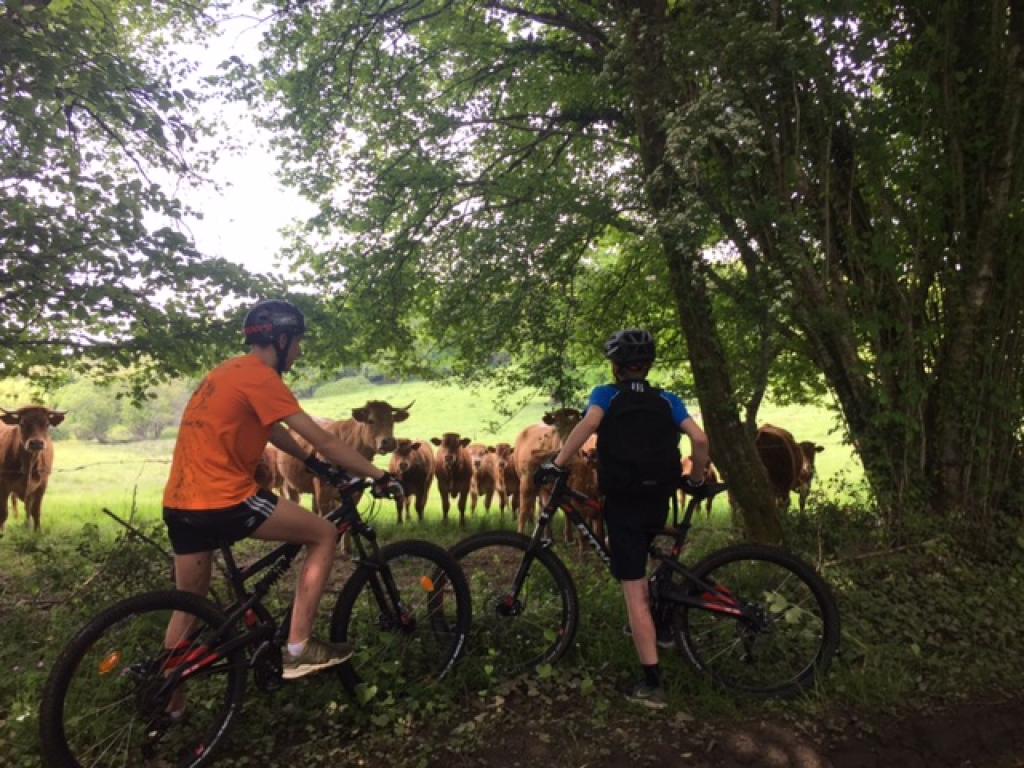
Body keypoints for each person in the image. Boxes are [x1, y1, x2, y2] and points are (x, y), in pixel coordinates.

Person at [161, 299, 400, 699]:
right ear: (281, 338)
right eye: (298, 342)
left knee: (189, 606)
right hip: (224, 499)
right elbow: (324, 437)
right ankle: (299, 648)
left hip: (181, 503)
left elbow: (270, 430)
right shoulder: (262, 378)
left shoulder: (226, 374)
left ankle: (168, 699)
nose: (300, 351)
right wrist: (378, 473)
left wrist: (309, 461)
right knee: (324, 533)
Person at [538, 329, 709, 709]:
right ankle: (662, 625)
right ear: (647, 366)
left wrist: (557, 463)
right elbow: (699, 441)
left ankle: (652, 684)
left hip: (623, 502)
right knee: (646, 562)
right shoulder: (667, 400)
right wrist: (696, 479)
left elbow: (586, 425)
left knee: (633, 592)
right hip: (659, 498)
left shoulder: (606, 395)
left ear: (615, 367)